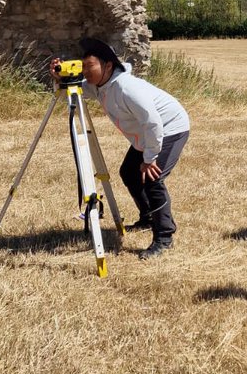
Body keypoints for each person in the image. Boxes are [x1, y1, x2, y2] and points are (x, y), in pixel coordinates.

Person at [50, 37, 190, 260]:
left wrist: (150, 157)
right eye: (83, 66)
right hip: (147, 133)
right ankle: (148, 217)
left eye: (90, 66)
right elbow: (79, 90)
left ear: (108, 65)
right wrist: (60, 78)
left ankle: (164, 237)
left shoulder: (126, 87)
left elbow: (153, 122)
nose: (85, 71)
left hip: (170, 127)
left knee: (152, 178)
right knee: (129, 172)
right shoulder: (100, 84)